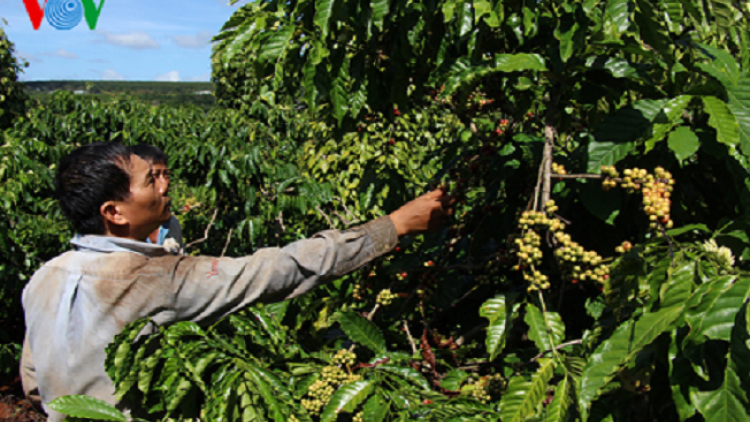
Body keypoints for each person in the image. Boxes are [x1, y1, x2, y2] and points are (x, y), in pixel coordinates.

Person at [20, 142, 455, 421]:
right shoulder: (157, 278)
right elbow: (280, 269)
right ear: (114, 212)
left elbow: (34, 379)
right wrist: (394, 225)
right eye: (150, 180)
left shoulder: (44, 277)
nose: (164, 183)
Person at [130, 144, 183, 253]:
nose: (165, 185)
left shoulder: (171, 224)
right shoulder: (123, 229)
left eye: (166, 175)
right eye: (154, 176)